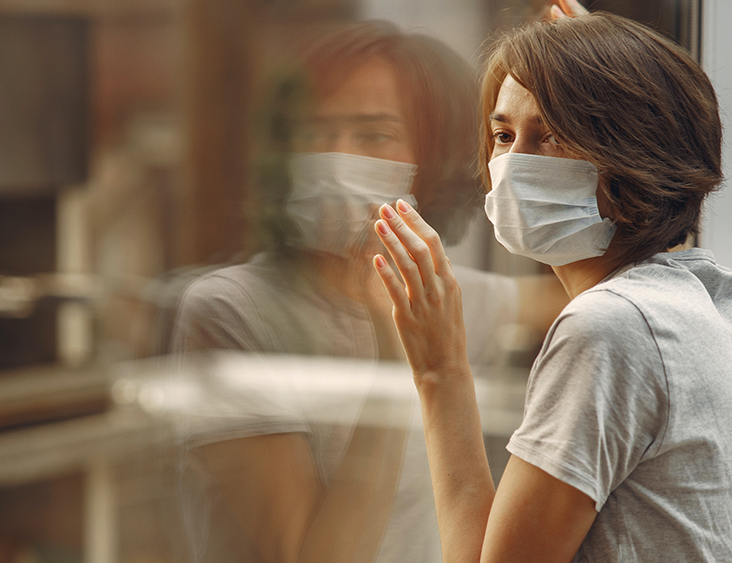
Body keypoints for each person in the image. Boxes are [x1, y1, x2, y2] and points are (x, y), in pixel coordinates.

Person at [171, 21, 568, 563]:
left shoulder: (442, 295)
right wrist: (394, 349)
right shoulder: (228, 310)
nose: (336, 157)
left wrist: (589, 87)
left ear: (428, 162)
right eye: (315, 132)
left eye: (371, 134)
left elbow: (604, 297)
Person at [372, 10, 732, 562]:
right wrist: (608, 66)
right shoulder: (699, 304)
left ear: (635, 153)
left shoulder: (610, 329)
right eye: (502, 135)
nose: (512, 165)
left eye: (554, 136)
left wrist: (439, 369)